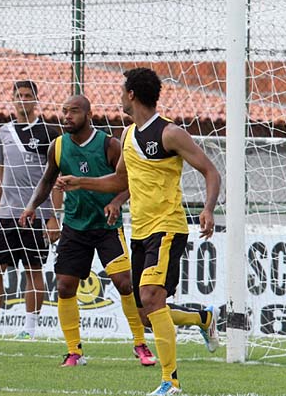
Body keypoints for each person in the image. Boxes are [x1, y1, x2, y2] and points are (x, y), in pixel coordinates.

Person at [56, 68, 221, 395]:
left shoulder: (170, 133)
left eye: (122, 90)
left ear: (131, 94)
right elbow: (119, 181)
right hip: (139, 232)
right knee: (147, 313)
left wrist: (208, 208)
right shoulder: (129, 134)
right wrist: (80, 182)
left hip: (167, 228)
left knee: (149, 296)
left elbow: (210, 170)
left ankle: (170, 383)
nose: (119, 96)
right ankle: (202, 319)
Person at [19, 95, 156, 367]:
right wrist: (32, 206)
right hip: (74, 227)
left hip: (107, 228)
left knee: (124, 283)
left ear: (88, 114)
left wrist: (117, 202)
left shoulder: (109, 144)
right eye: (64, 111)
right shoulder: (58, 146)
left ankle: (140, 344)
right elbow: (47, 179)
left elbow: (130, 181)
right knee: (64, 286)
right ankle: (74, 351)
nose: (67, 116)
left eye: (73, 111)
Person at [0, 80, 62, 340]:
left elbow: (56, 177)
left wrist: (53, 217)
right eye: (19, 95)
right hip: (5, 214)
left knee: (33, 269)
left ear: (36, 100)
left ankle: (29, 329)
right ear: (12, 99)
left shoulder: (49, 132)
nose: (23, 100)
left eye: (28, 95)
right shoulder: (4, 132)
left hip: (36, 215)